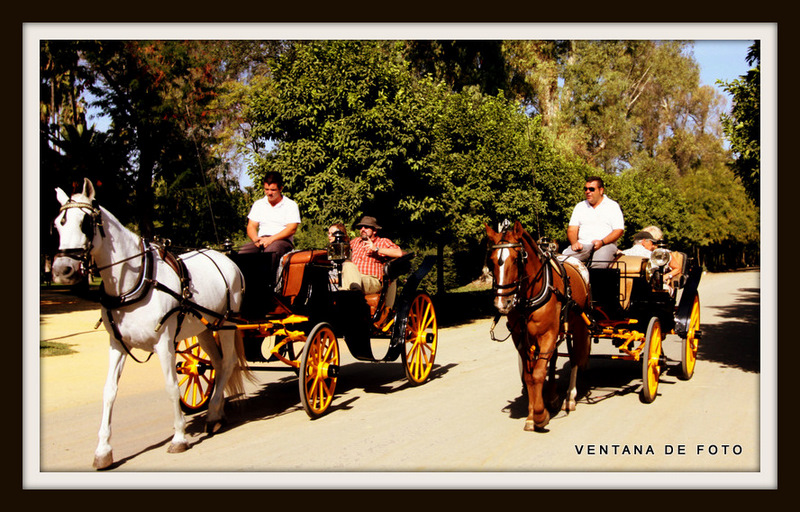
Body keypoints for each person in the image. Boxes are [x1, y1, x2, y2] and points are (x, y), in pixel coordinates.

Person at [562, 176, 624, 268]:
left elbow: (619, 230)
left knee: (599, 264)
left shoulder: (612, 206)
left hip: (606, 245)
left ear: (601, 190)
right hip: (583, 245)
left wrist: (602, 242)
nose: (588, 192)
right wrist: (574, 243)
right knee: (563, 261)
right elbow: (572, 229)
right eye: (586, 189)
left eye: (591, 189)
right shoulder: (580, 206)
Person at [239, 171, 301, 259]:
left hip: (282, 241)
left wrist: (271, 239)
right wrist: (255, 239)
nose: (269, 193)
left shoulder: (290, 205)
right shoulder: (258, 204)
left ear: (280, 188)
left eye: (273, 190)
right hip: (262, 240)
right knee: (244, 252)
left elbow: (292, 229)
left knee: (270, 252)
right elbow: (251, 226)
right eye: (266, 189)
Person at [341, 216, 403, 295]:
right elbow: (341, 249)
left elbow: (399, 253)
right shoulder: (356, 241)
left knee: (347, 283)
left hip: (371, 280)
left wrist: (376, 249)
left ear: (374, 231)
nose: (363, 229)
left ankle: (354, 294)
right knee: (347, 265)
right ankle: (354, 294)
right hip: (354, 277)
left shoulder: (382, 242)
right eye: (361, 227)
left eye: (366, 227)